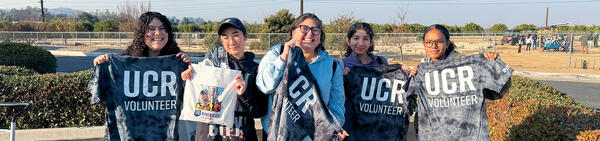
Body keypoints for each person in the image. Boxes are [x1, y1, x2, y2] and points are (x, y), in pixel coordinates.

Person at [255, 13, 348, 140]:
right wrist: (283, 58)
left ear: (320, 37)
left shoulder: (331, 66)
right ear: (293, 33)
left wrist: (332, 130)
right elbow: (264, 86)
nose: (310, 34)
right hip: (278, 135)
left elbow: (337, 106)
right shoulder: (277, 53)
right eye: (304, 28)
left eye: (315, 30)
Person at [411, 24, 510, 140]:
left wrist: (492, 65)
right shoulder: (423, 68)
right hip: (433, 134)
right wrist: (412, 74)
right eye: (429, 42)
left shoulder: (466, 66)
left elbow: (499, 88)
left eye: (439, 41)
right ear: (424, 44)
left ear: (447, 43)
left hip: (465, 134)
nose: (434, 46)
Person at [181, 17, 268, 141]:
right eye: (225, 37)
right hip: (209, 136)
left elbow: (259, 111)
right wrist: (189, 78)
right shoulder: (211, 64)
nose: (231, 41)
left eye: (235, 35)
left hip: (241, 136)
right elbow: (194, 98)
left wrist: (244, 93)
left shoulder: (256, 69)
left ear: (246, 36)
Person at [93, 11, 191, 65]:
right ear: (141, 34)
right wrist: (102, 64)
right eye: (151, 29)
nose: (158, 33)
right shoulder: (126, 61)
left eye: (162, 28)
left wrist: (190, 68)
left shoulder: (178, 60)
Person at [340, 22, 416, 76]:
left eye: (365, 39)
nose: (361, 43)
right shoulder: (341, 65)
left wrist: (403, 71)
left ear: (371, 42)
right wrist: (339, 76)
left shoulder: (381, 61)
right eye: (356, 38)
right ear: (348, 41)